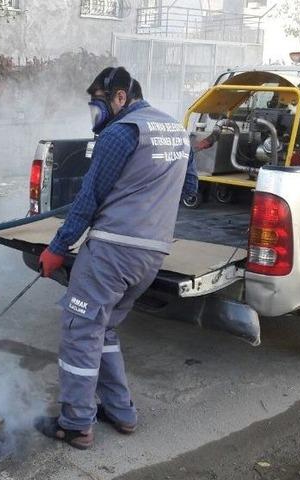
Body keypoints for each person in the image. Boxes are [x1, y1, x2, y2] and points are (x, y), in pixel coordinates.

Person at [35, 67, 188, 450]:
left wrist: (57, 248)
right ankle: (121, 412)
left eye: (99, 104)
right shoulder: (174, 131)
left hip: (112, 251)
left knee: (79, 329)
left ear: (121, 97)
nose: (95, 114)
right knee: (102, 329)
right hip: (150, 256)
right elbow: (190, 190)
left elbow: (89, 198)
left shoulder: (121, 133)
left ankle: (75, 424)